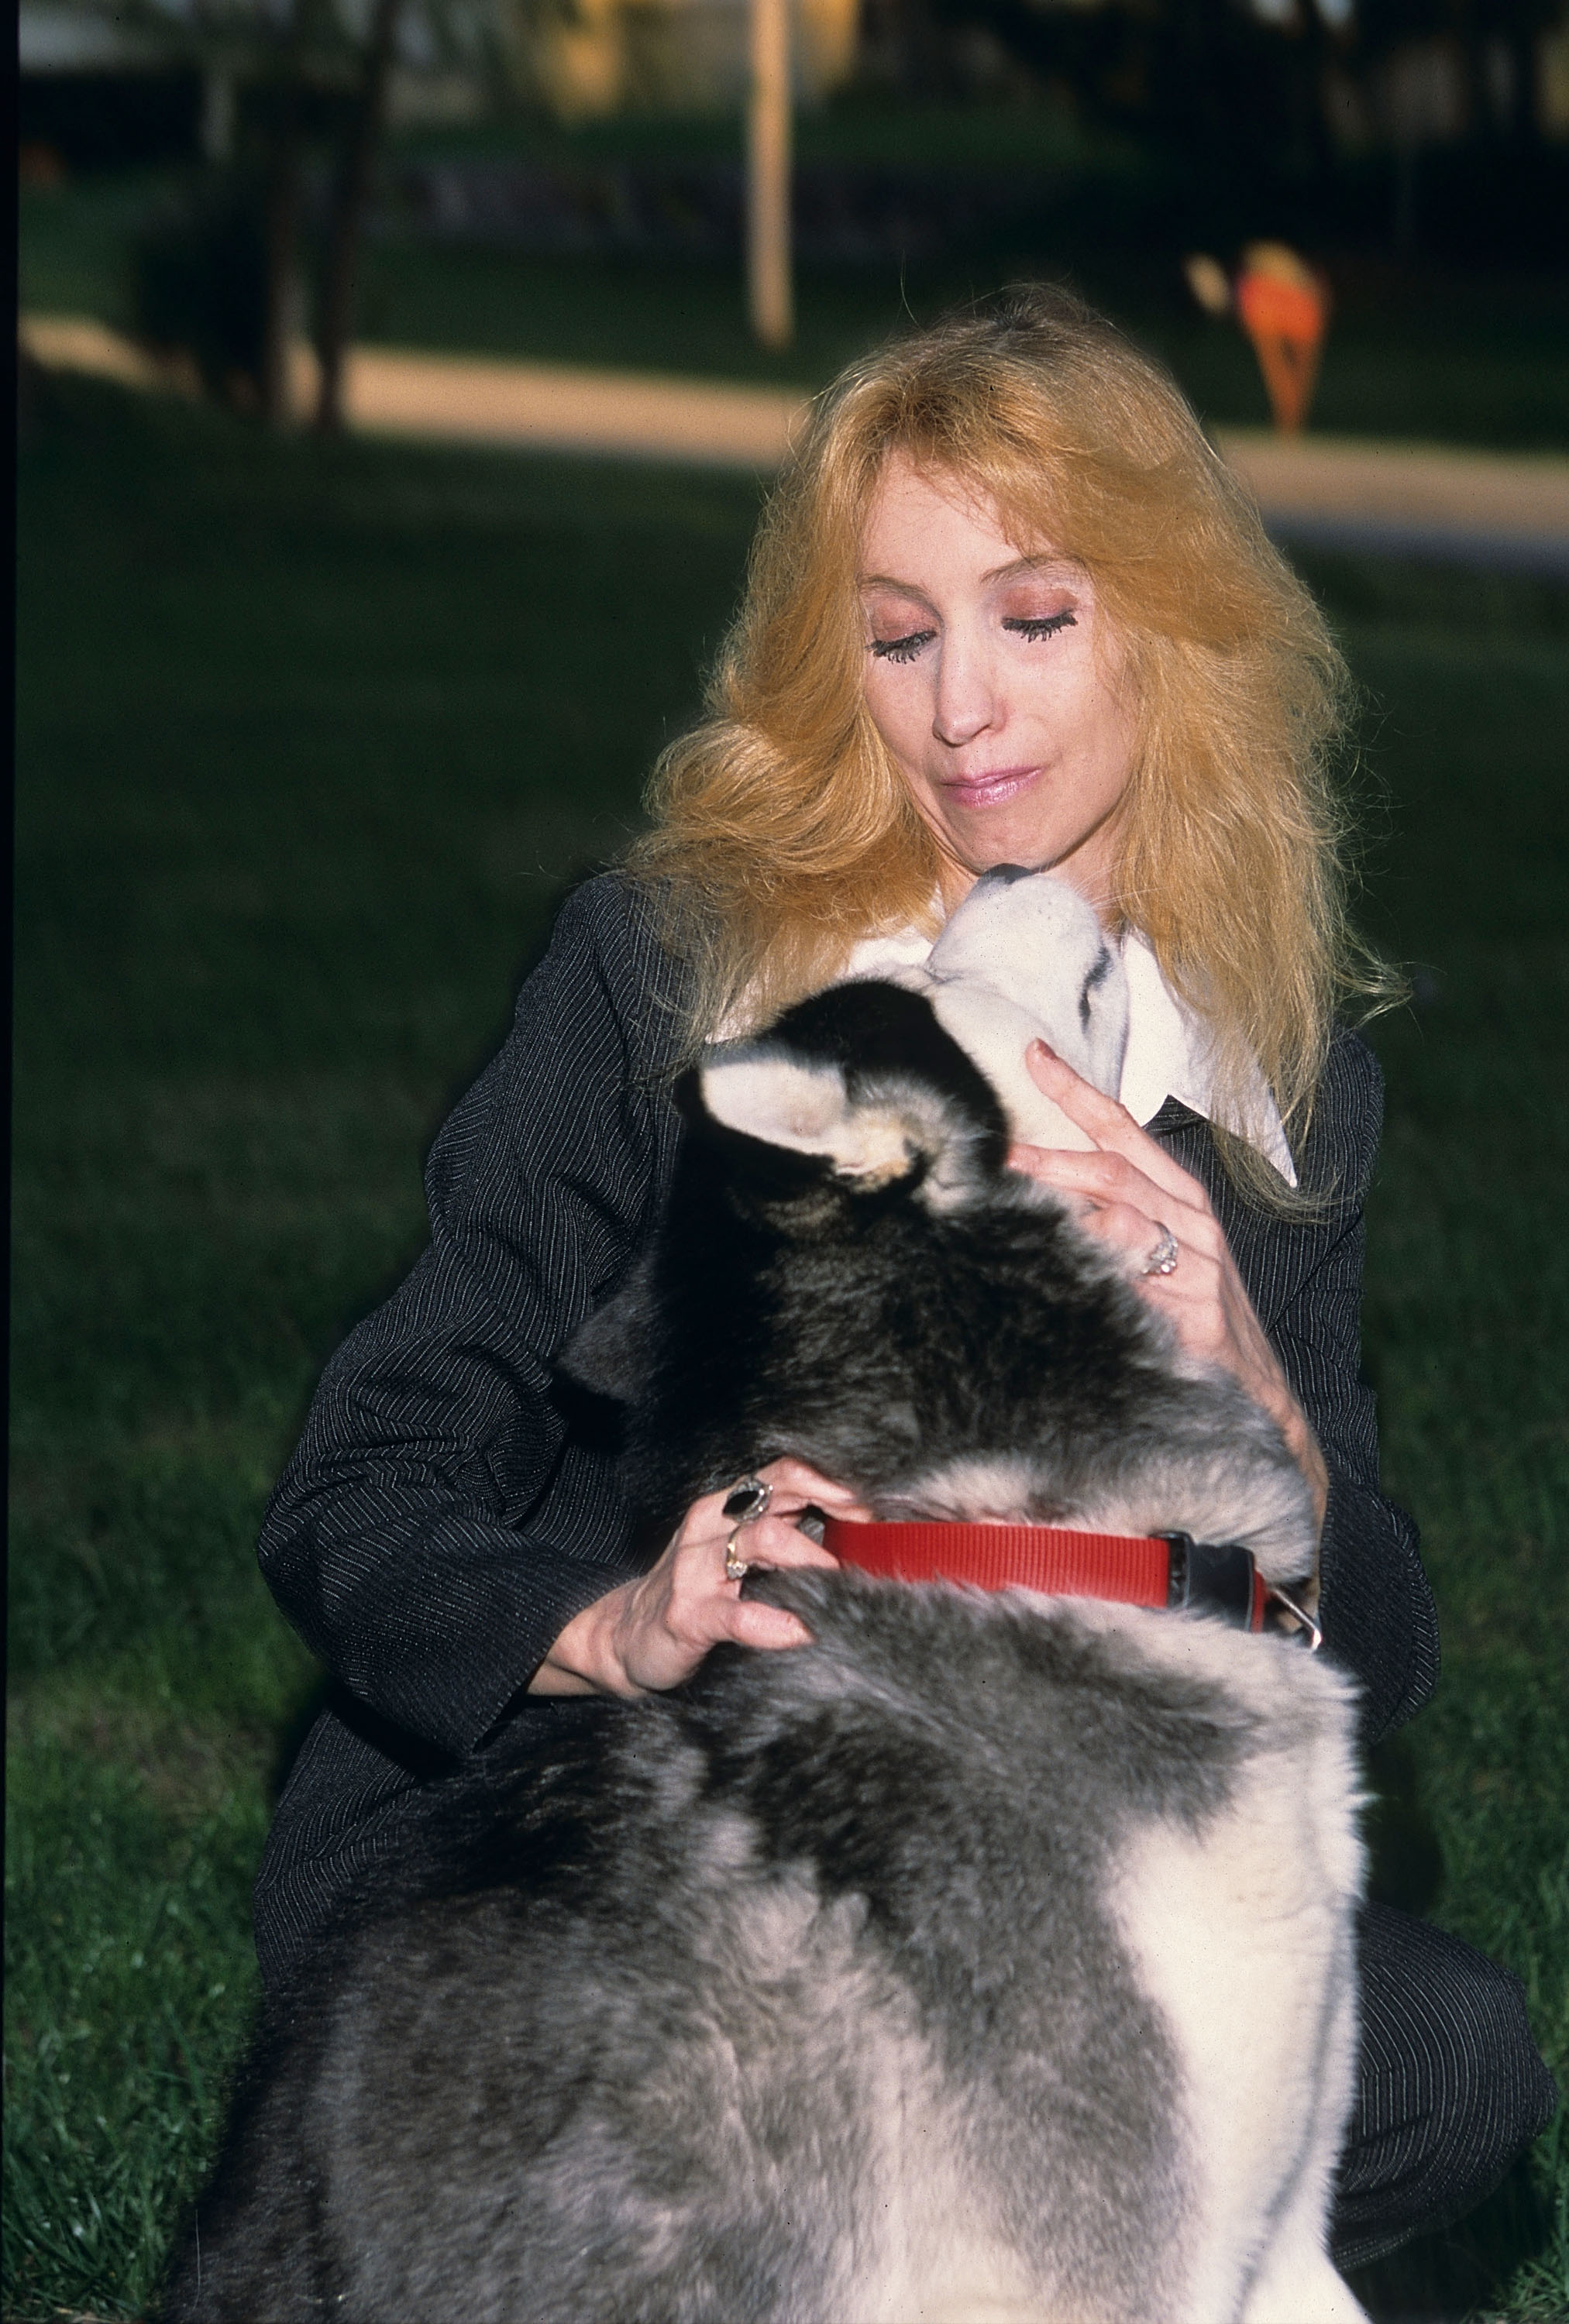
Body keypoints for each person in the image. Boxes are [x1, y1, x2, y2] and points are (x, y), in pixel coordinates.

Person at [251, 287, 1554, 2271]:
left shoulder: (1266, 1075)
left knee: (1445, 2071)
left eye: (1033, 619)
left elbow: (1361, 1667)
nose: (960, 710)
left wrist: (1262, 1404)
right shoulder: (671, 976)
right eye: (896, 635)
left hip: (1027, 1847)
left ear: (1170, 631)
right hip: (612, 1820)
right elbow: (363, 1477)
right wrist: (615, 1620)